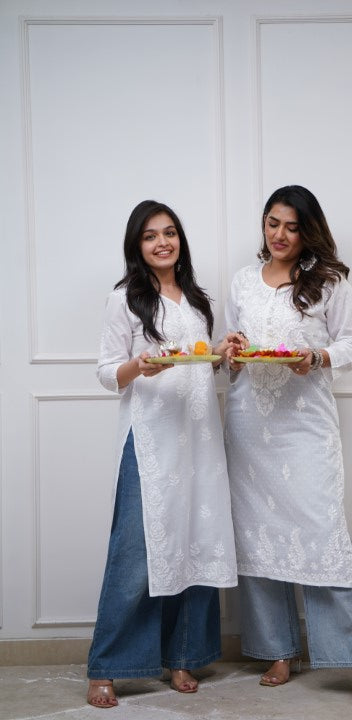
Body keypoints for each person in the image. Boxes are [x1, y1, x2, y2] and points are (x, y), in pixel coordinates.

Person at [223, 185, 352, 707]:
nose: (280, 235)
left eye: (292, 227)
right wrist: (233, 350)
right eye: (273, 223)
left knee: (322, 534)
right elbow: (231, 352)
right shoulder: (242, 281)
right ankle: (278, 651)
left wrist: (315, 358)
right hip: (249, 425)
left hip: (305, 426)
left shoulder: (328, 281)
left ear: (308, 230)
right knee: (258, 537)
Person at [87, 200, 242, 708]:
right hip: (150, 439)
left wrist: (222, 353)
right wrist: (140, 365)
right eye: (151, 235)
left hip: (199, 439)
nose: (162, 243)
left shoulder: (196, 300)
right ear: (137, 245)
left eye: (170, 233)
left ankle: (184, 656)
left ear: (180, 240)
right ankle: (108, 666)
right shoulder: (125, 299)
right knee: (136, 551)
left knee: (196, 543)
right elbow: (107, 373)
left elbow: (199, 361)